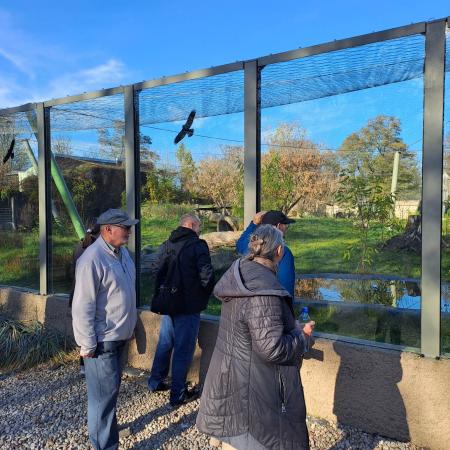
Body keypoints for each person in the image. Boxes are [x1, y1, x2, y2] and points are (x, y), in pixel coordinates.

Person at [197, 225, 314, 450]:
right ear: (279, 251)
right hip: (254, 387)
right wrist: (302, 336)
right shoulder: (263, 291)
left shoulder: (241, 273)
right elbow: (272, 348)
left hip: (232, 377)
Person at [72, 209, 138, 450]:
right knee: (102, 399)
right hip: (101, 343)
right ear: (108, 229)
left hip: (119, 337)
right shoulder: (91, 259)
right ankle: (104, 445)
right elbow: (82, 307)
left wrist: (130, 326)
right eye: (125, 227)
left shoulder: (123, 254)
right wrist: (87, 344)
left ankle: (106, 433)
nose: (130, 231)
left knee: (109, 395)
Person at [148, 213, 214, 407]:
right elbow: (206, 275)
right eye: (199, 227)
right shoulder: (198, 245)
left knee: (165, 343)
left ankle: (155, 381)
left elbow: (155, 270)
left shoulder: (166, 244)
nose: (200, 231)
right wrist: (202, 293)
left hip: (169, 304)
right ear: (191, 225)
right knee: (183, 350)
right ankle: (178, 394)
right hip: (188, 305)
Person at [236, 210, 296, 297]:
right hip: (272, 305)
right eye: (286, 225)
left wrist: (254, 223)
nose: (287, 228)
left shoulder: (250, 246)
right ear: (278, 226)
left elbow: (240, 243)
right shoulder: (283, 252)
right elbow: (286, 289)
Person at [69, 223, 101, 376]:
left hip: (75, 292)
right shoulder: (95, 249)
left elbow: (71, 269)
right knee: (89, 333)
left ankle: (83, 366)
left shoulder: (79, 245)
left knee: (84, 335)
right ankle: (87, 366)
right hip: (87, 293)